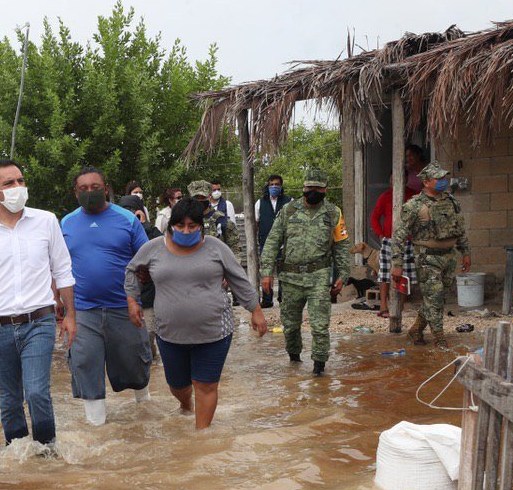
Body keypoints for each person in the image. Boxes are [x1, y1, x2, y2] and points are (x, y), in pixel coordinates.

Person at [0, 159, 77, 448]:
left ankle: (48, 452)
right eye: (9, 183)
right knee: (9, 400)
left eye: (20, 181)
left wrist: (70, 315)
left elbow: (62, 270)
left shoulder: (46, 221)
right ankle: (18, 457)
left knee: (36, 393)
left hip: (40, 321)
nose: (18, 187)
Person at [125, 196, 267, 429]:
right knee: (177, 385)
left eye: (192, 226)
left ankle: (201, 440)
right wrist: (133, 301)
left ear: (201, 226)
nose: (185, 230)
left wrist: (256, 310)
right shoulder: (153, 249)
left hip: (214, 332)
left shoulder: (216, 247)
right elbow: (132, 271)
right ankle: (185, 404)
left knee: (206, 385)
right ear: (171, 226)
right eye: (180, 226)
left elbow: (238, 279)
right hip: (169, 333)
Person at [61, 168, 153, 426]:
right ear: (75, 192)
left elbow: (145, 260)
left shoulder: (127, 220)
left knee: (135, 366)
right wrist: (61, 306)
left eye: (95, 186)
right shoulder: (66, 223)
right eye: (83, 188)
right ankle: (97, 430)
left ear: (106, 187)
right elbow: (57, 266)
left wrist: (140, 289)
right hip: (83, 310)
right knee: (85, 365)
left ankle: (145, 412)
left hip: (123, 308)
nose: (90, 192)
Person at [259, 168, 350, 377]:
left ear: (325, 189)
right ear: (303, 187)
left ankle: (319, 369)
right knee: (290, 327)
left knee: (319, 326)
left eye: (318, 188)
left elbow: (342, 245)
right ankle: (294, 361)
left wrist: (342, 275)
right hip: (290, 278)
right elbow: (272, 241)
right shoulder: (288, 210)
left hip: (319, 276)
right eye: (310, 187)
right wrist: (266, 273)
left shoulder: (333, 213)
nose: (313, 191)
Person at [391, 161, 471, 350]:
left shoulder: (451, 201)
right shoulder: (414, 206)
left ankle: (416, 330)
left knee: (438, 298)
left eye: (444, 177)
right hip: (427, 258)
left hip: (449, 257)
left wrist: (465, 252)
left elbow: (460, 230)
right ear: (426, 182)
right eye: (439, 178)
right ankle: (440, 339)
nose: (443, 181)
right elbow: (399, 235)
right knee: (434, 298)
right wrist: (397, 263)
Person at [370, 182, 418, 318]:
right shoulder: (385, 196)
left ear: (406, 179)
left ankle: (399, 307)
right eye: (392, 179)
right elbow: (374, 217)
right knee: (384, 272)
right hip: (389, 240)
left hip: (408, 241)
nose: (394, 181)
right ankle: (383, 305)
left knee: (405, 273)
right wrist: (380, 234)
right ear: (390, 180)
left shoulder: (413, 196)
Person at [256, 174, 292, 307]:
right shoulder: (260, 202)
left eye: (277, 184)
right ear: (268, 185)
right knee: (266, 271)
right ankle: (267, 299)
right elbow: (256, 222)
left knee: (284, 272)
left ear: (281, 186)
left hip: (285, 244)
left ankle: (283, 298)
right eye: (272, 184)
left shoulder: (289, 201)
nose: (274, 187)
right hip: (266, 244)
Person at [186, 180, 242, 257]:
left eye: (203, 197)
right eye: (196, 198)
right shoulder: (184, 220)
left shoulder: (222, 220)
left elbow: (235, 248)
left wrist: (232, 267)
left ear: (209, 197)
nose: (199, 200)